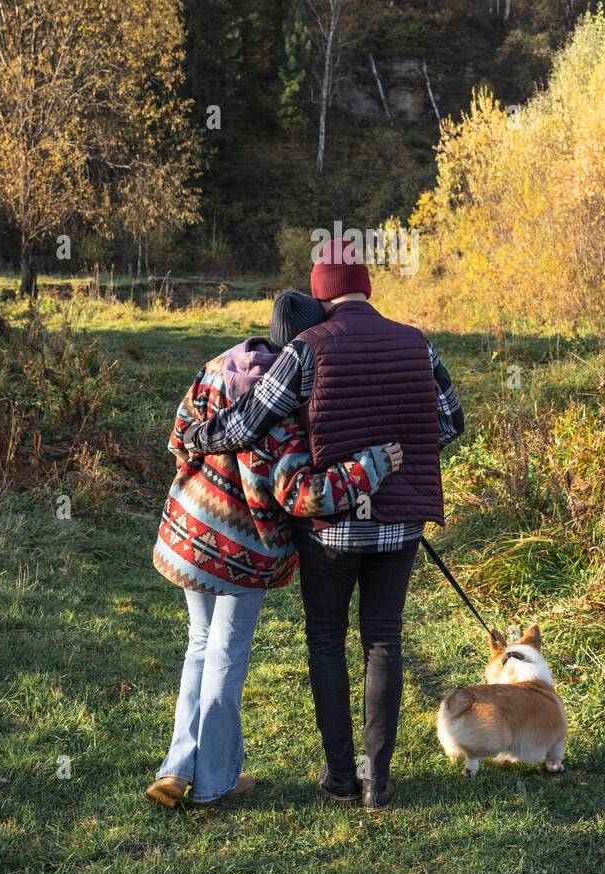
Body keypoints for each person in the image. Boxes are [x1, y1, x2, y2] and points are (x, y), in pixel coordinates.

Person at [182, 240, 464, 811]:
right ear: (367, 287)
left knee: (326, 642)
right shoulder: (417, 343)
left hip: (329, 528)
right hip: (400, 527)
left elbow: (249, 423)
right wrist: (400, 458)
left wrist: (197, 437)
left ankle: (341, 776)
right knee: (383, 639)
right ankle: (376, 785)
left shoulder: (307, 349)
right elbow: (451, 424)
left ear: (319, 292)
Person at [146, 289, 402, 810]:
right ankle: (215, 781)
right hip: (241, 552)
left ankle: (176, 769)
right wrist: (371, 467)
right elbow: (301, 495)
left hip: (188, 535)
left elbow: (179, 437)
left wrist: (203, 477)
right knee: (224, 658)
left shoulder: (218, 367)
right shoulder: (283, 415)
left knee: (199, 645)